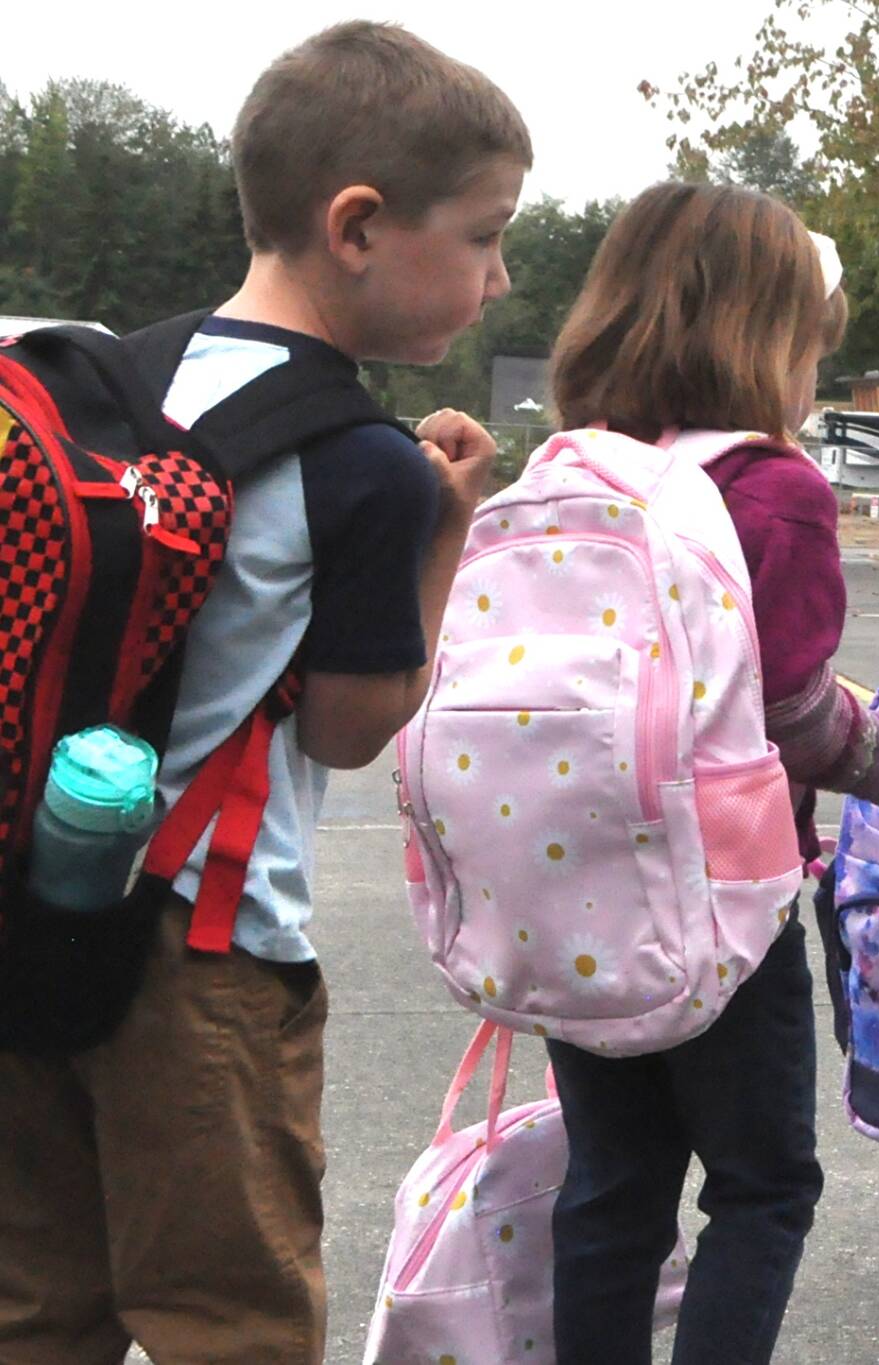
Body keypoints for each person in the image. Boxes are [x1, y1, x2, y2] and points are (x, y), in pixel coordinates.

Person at [0, 21, 526, 1362]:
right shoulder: (368, 467)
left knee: (36, 1301)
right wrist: (448, 532)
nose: (499, 276)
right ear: (358, 226)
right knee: (225, 1312)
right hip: (209, 944)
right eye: (482, 237)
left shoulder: (116, 376)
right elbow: (351, 725)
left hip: (31, 897)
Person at [539, 181, 879, 1365]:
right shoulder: (770, 491)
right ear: (766, 338)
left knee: (610, 1185)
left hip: (570, 880)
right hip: (719, 901)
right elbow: (791, 712)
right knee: (759, 1187)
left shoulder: (578, 470)